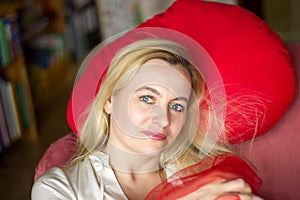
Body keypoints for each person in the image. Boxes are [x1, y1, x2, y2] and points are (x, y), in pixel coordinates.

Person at [31, 30, 263, 199]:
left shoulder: (205, 177)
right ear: (109, 101)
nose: (163, 119)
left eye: (177, 106)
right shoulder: (60, 188)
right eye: (147, 98)